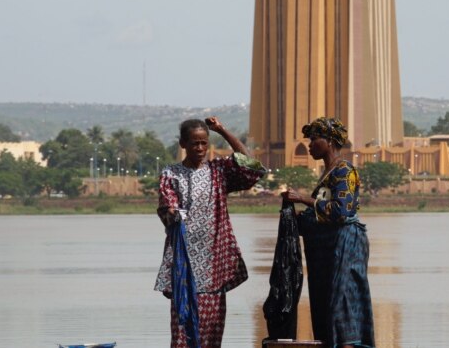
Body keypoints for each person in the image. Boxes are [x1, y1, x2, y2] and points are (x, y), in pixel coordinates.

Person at [154, 117, 266, 348]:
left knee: (212, 334)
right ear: (183, 144)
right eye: (195, 143)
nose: (200, 148)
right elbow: (167, 206)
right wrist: (172, 212)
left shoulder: (219, 171)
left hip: (214, 264)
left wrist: (223, 130)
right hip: (184, 265)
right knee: (183, 333)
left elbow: (249, 164)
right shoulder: (171, 173)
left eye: (204, 143)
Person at [281, 117, 375, 348]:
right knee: (325, 305)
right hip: (327, 250)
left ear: (330, 141)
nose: (310, 144)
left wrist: (303, 198)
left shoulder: (345, 171)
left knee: (342, 304)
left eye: (314, 139)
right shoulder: (328, 173)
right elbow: (322, 216)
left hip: (345, 246)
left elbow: (341, 212)